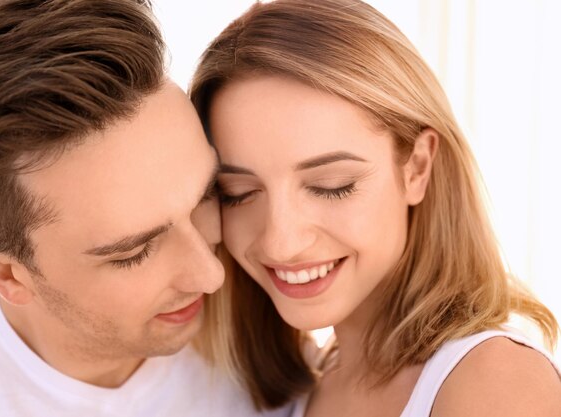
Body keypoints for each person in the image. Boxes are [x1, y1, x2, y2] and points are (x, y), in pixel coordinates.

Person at [190, 0, 561, 416]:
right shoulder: (294, 390)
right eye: (238, 192)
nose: (281, 243)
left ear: (417, 167)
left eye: (331, 187)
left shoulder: (496, 381)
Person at [0, 1, 292, 416]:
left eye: (209, 193)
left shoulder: (275, 329)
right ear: (4, 274)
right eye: (134, 252)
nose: (211, 276)